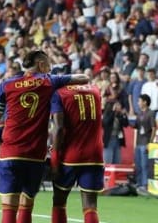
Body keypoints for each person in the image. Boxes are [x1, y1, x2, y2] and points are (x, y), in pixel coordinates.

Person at [0, 50, 89, 223]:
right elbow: (83, 78)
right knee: (27, 205)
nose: (50, 67)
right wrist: (58, 79)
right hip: (34, 155)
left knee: (8, 206)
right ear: (42, 65)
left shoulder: (7, 84)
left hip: (10, 152)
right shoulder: (49, 81)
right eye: (49, 64)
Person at [50, 83, 104, 223]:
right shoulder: (95, 89)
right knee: (90, 205)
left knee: (59, 200)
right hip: (94, 155)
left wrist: (54, 158)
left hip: (70, 155)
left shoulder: (59, 93)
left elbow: (59, 128)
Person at [132, 94, 155, 195]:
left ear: (145, 102)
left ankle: (145, 185)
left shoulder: (151, 113)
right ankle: (139, 183)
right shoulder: (139, 114)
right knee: (138, 164)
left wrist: (150, 143)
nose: (138, 103)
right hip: (138, 142)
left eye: (139, 101)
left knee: (145, 164)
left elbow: (154, 128)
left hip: (145, 142)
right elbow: (136, 127)